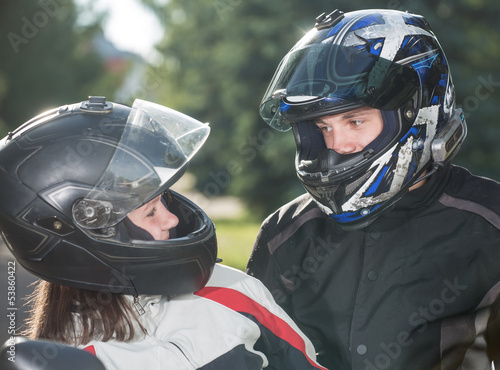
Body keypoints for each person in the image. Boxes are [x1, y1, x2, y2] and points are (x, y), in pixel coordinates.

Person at [246, 8, 500, 370]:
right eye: (322, 127)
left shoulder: (490, 225)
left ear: (418, 111)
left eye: (355, 120)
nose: (338, 143)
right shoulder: (285, 233)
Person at [0, 96, 327, 370]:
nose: (171, 220)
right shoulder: (66, 357)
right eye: (150, 211)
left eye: (164, 201)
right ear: (88, 234)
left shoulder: (230, 289)